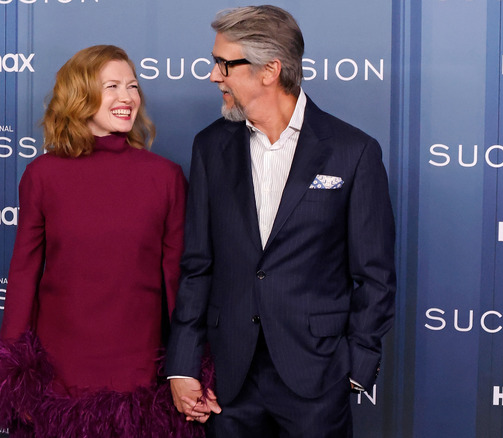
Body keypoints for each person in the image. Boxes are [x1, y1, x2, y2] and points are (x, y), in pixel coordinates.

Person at [165, 6, 396, 437]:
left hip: (317, 378)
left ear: (270, 70)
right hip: (228, 383)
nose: (215, 76)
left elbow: (375, 275)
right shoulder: (210, 147)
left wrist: (356, 366)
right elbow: (197, 266)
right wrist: (183, 364)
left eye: (224, 64)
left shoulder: (353, 151)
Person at [0, 45, 203, 438]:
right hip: (60, 372)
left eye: (132, 86)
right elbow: (23, 273)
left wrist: (189, 365)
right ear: (80, 95)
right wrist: (11, 367)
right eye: (112, 86)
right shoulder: (42, 175)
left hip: (138, 371)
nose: (127, 97)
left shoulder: (165, 177)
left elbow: (179, 281)